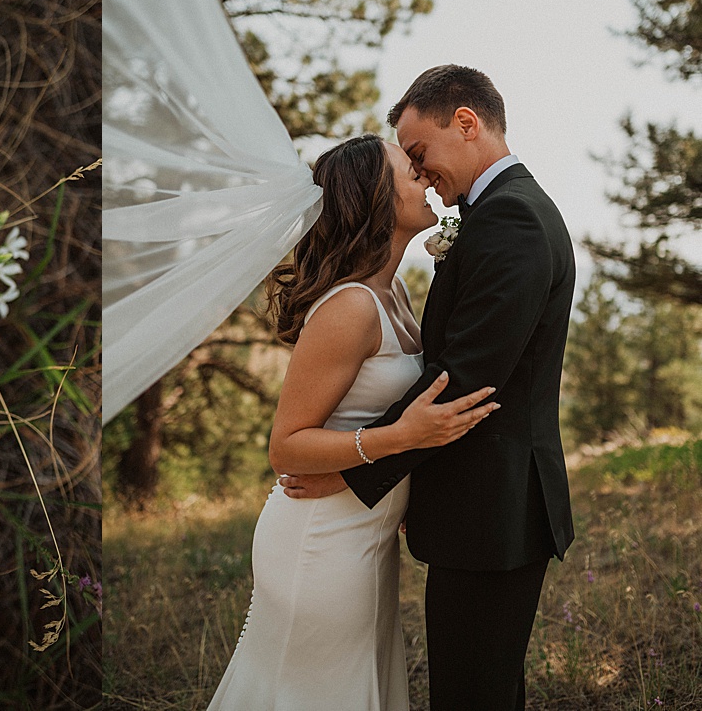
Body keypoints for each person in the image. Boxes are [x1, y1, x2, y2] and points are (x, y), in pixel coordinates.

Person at [281, 65, 576, 710]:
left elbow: (465, 380)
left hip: (493, 509)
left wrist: (358, 470)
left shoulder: (512, 220)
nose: (423, 174)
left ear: (465, 123)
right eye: (408, 164)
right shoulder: (496, 215)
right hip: (475, 509)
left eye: (421, 154)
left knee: (474, 692)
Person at [207, 133, 499, 710]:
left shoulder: (393, 297)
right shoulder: (350, 307)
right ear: (373, 197)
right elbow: (287, 446)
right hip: (321, 539)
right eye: (407, 169)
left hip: (367, 532)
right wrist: (401, 439)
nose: (422, 174)